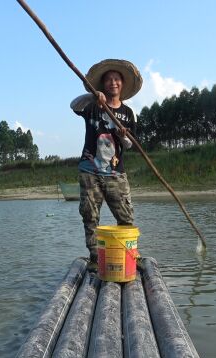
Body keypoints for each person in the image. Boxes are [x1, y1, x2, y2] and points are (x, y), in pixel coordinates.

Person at [69, 59, 143, 267]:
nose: (113, 83)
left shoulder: (128, 113)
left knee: (126, 216)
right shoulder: (92, 106)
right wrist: (92, 95)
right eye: (109, 80)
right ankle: (95, 259)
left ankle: (129, 257)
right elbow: (74, 105)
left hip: (115, 173)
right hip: (89, 170)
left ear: (122, 84)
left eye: (116, 79)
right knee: (90, 216)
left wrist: (122, 136)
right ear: (103, 84)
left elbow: (130, 145)